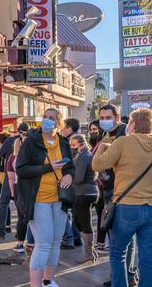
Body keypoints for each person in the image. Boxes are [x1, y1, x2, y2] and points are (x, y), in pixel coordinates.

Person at [92, 108, 152, 287]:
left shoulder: (123, 142)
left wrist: (103, 145)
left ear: (132, 124)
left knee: (118, 253)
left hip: (128, 207)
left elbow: (97, 164)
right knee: (148, 259)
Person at [16, 108, 75, 287]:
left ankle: (48, 281)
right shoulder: (31, 141)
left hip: (59, 198)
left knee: (56, 240)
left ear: (58, 123)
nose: (46, 120)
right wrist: (48, 167)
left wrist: (69, 175)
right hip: (38, 198)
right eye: (45, 117)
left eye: (51, 118)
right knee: (44, 242)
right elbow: (21, 169)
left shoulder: (64, 142)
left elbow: (71, 167)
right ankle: (35, 285)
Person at [95, 104, 137, 286]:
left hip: (118, 191)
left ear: (117, 116)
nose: (104, 121)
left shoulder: (123, 133)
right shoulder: (107, 134)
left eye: (107, 117)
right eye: (101, 118)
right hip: (107, 188)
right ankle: (125, 275)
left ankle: (125, 277)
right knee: (118, 236)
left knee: (122, 237)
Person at [70, 133, 99, 264]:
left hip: (84, 193)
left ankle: (88, 253)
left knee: (84, 222)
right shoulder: (86, 155)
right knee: (78, 221)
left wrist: (66, 178)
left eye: (74, 145)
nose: (72, 147)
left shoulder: (83, 157)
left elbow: (79, 178)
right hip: (88, 192)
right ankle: (90, 251)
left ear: (81, 145)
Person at [60, 117, 82, 250]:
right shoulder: (76, 138)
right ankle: (76, 237)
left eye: (63, 127)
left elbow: (69, 163)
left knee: (68, 211)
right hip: (76, 183)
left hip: (72, 182)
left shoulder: (69, 141)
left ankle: (72, 238)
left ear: (69, 129)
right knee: (73, 212)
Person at [88, 120, 109, 252]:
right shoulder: (96, 144)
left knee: (104, 215)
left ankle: (101, 242)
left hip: (105, 184)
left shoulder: (103, 144)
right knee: (101, 214)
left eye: (95, 129)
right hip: (99, 184)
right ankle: (100, 242)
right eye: (91, 130)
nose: (92, 132)